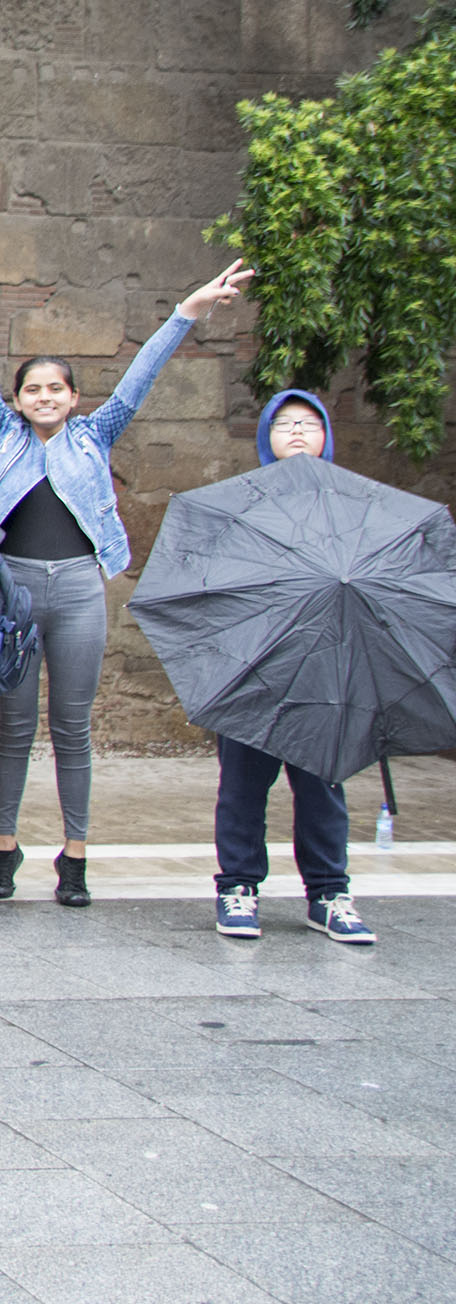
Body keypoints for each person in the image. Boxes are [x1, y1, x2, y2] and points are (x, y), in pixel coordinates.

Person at [0, 240, 253, 908]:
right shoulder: (4, 433)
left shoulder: (94, 436)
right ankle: (4, 849)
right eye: (32, 389)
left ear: (72, 398)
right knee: (13, 727)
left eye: (55, 389)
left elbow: (139, 380)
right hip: (13, 593)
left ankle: (76, 855)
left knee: (72, 728)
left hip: (77, 590)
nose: (43, 397)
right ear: (18, 400)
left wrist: (184, 313)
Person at [212, 390, 374, 946]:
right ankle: (237, 886)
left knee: (323, 788)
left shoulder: (351, 508)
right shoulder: (241, 506)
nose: (298, 431)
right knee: (241, 787)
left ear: (327, 434)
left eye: (309, 422)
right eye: (284, 423)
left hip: (324, 670)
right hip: (254, 667)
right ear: (266, 437)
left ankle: (329, 893)